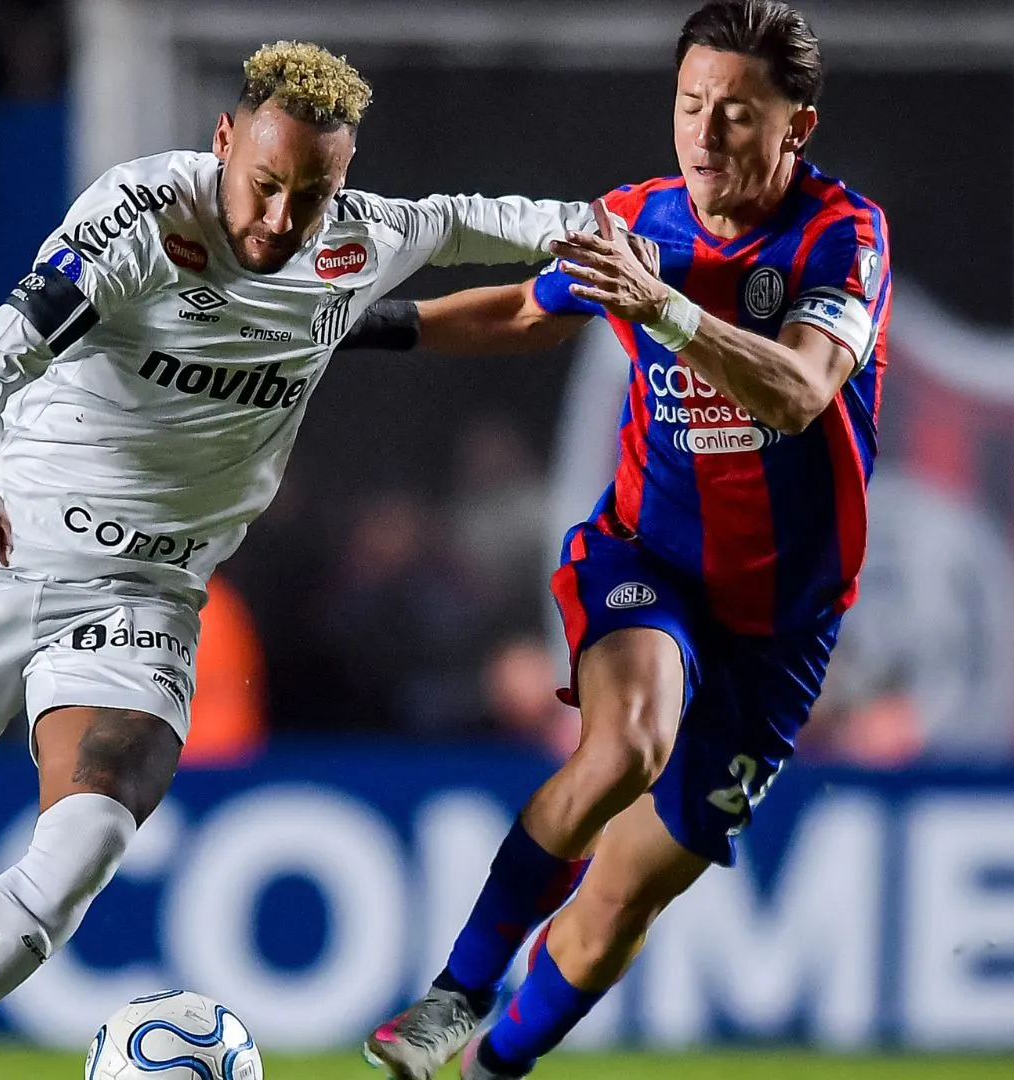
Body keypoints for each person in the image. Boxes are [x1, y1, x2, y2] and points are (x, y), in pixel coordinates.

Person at [0, 41, 599, 1080]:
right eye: (264, 186)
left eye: (309, 198)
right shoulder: (140, 219)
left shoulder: (359, 242)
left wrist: (616, 235)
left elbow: (482, 218)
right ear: (224, 141)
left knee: (83, 843)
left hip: (150, 589)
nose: (278, 221)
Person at [358, 4, 893, 1077]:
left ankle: (489, 1067)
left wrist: (669, 311)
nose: (704, 136)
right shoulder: (638, 220)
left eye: (737, 115)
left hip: (782, 625)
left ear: (799, 127)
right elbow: (524, 310)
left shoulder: (845, 234)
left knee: (620, 899)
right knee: (627, 744)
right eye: (690, 107)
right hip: (644, 560)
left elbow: (799, 389)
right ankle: (453, 996)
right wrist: (365, 325)